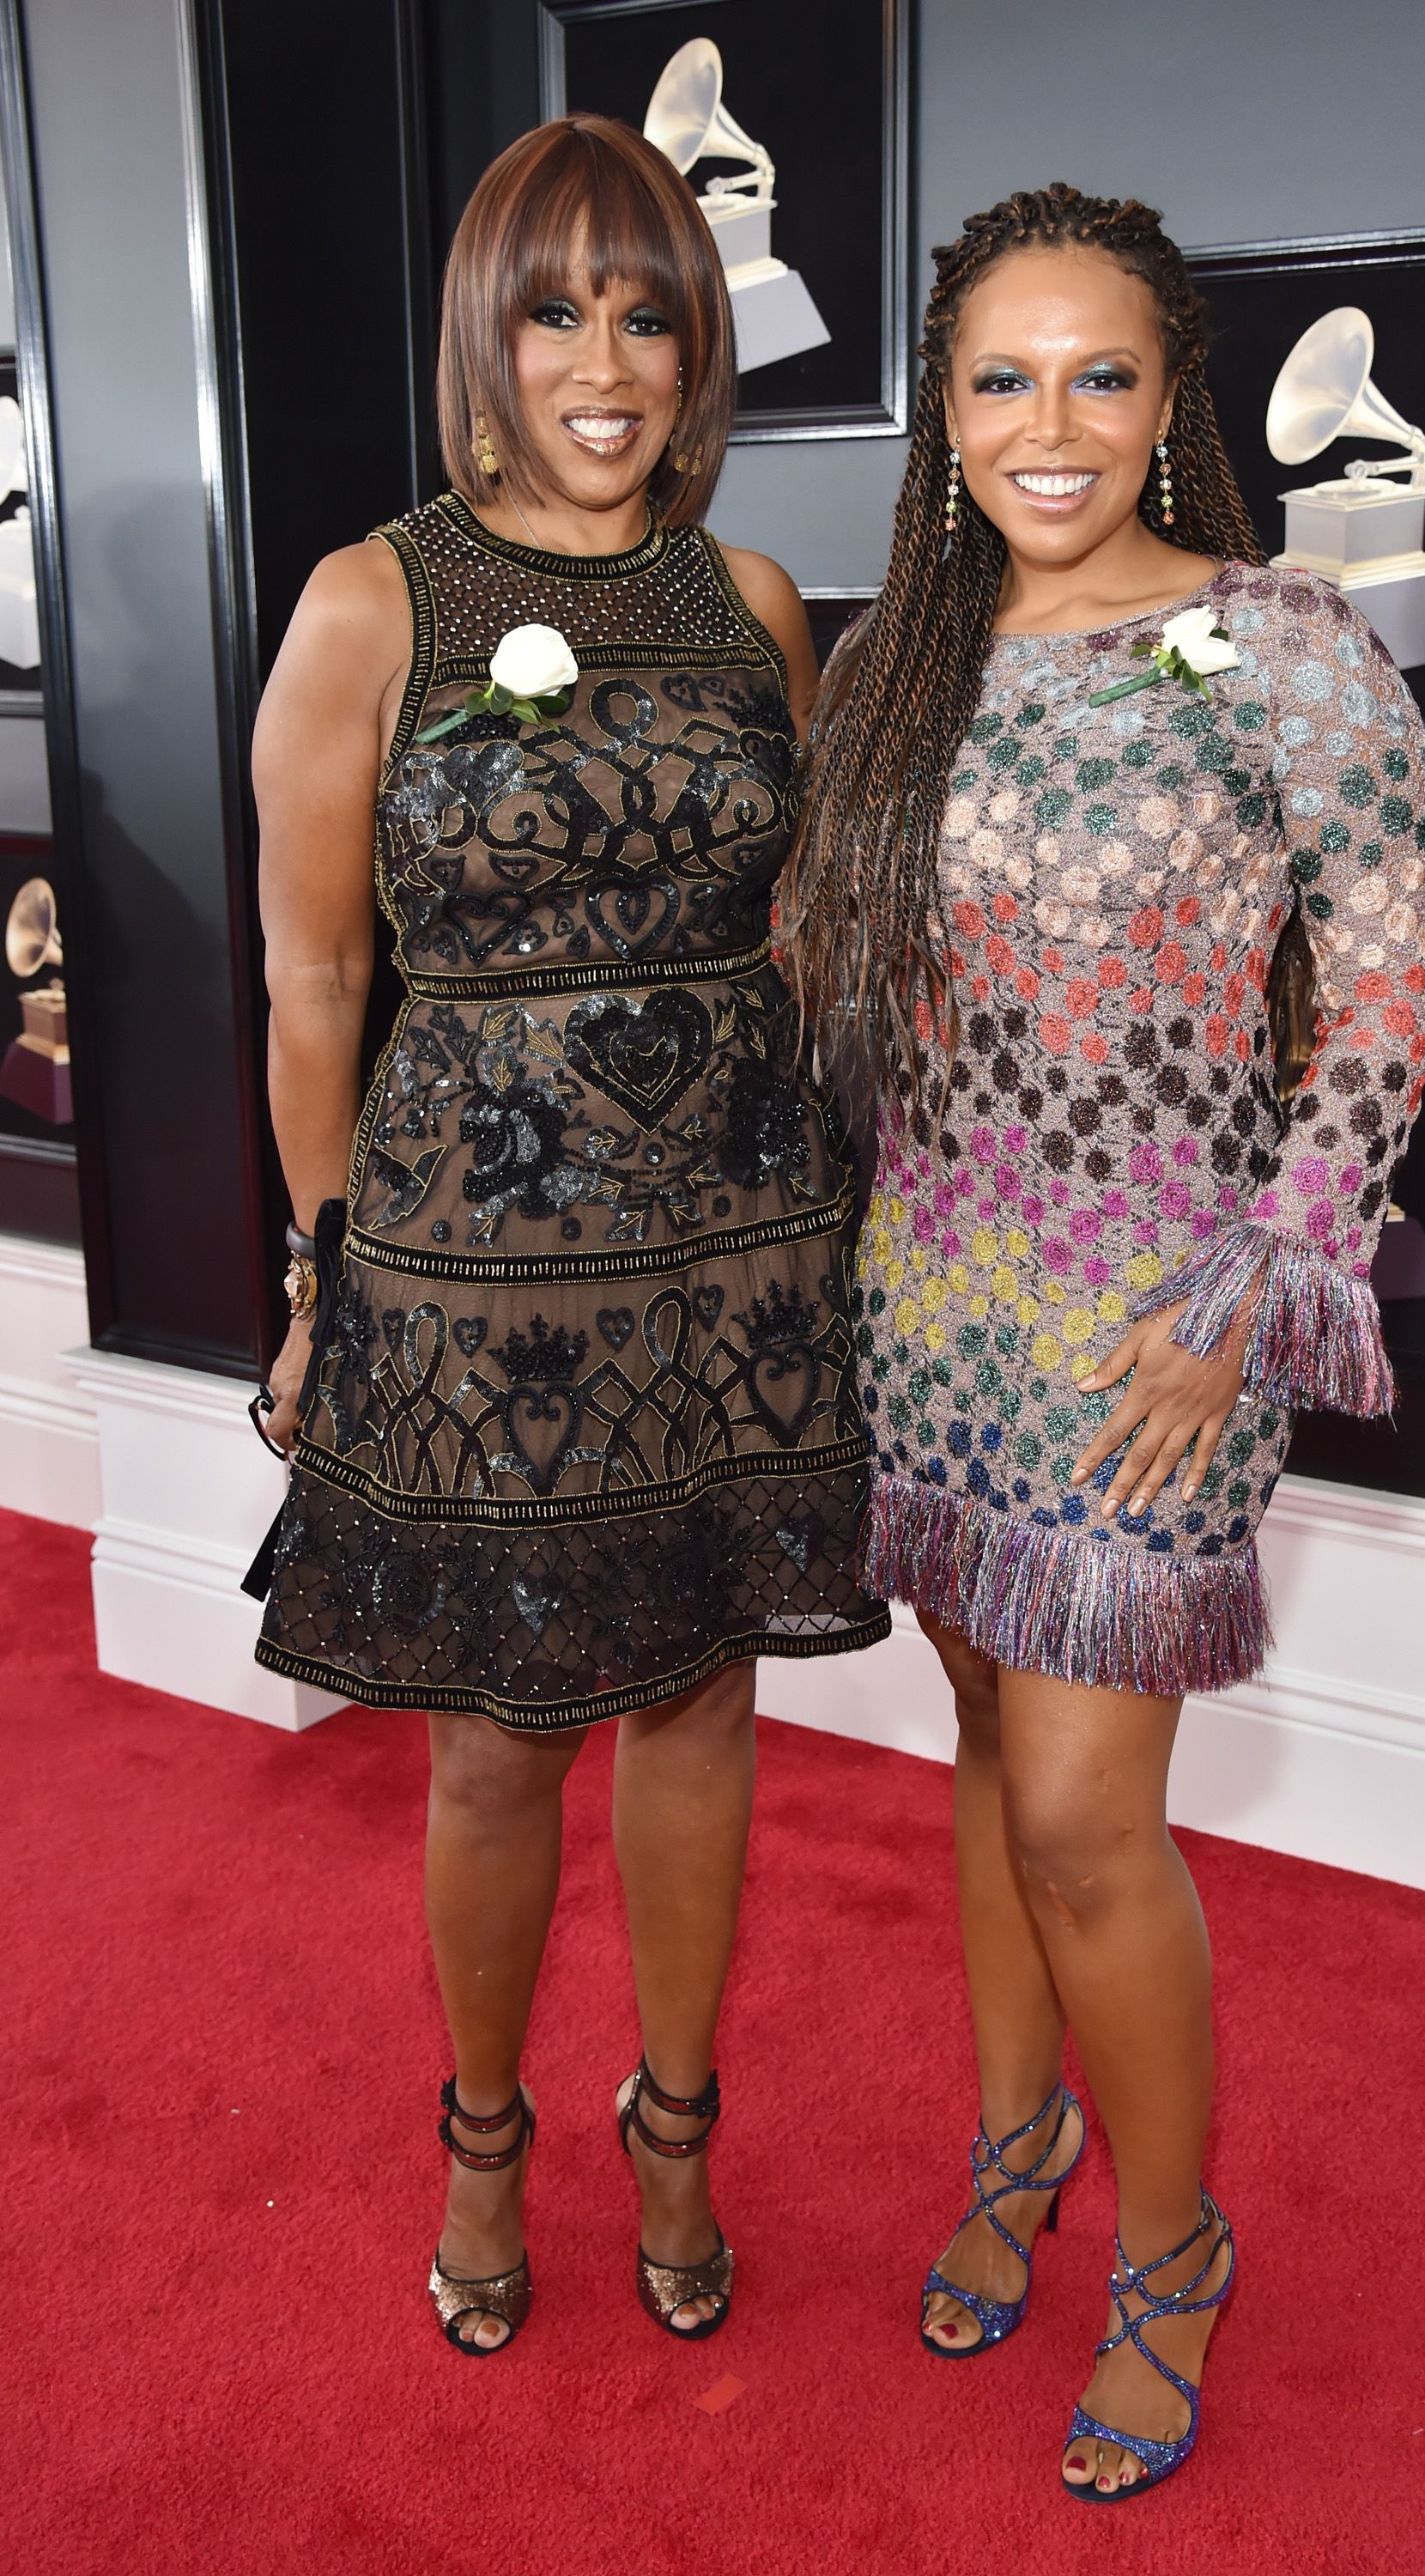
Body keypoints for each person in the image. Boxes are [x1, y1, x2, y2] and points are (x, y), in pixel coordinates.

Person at [783, 182, 1425, 2497]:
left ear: (1170, 401)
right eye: (997, 376)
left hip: (1163, 1309)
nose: (1044, 425)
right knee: (980, 1742)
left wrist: (1262, 1288)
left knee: (1085, 1806)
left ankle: (1173, 2248)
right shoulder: (895, 668)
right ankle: (1015, 2138)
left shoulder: (1289, 645)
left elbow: (1376, 987)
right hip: (932, 1293)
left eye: (1098, 375)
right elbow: (852, 989)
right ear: (941, 408)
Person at [250, 114, 888, 2354]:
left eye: (645, 308)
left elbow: (800, 949)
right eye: (555, 307)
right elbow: (320, 984)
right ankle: (485, 2135)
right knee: (499, 1734)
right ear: (486, 337)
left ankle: (681, 2125)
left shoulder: (752, 608)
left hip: (727, 1262)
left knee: (704, 1705)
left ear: (695, 341)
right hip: (473, 1277)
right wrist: (323, 1284)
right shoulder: (374, 599)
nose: (603, 357)